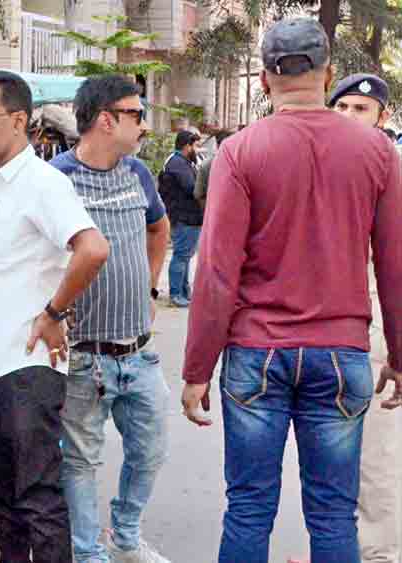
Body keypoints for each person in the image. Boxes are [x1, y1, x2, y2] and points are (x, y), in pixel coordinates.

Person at [180, 18, 402, 563]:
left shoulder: (240, 151)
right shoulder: (376, 152)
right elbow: (395, 263)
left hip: (258, 353)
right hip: (341, 352)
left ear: (262, 80)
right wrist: (398, 355)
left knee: (249, 508)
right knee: (333, 514)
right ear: (327, 74)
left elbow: (216, 272)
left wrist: (196, 369)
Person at [0, 69, 109, 563]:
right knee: (1, 495)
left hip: (26, 368)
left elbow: (92, 249)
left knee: (37, 497)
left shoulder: (43, 183)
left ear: (18, 120)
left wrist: (53, 312)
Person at [50, 74, 172, 563]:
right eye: (137, 115)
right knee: (79, 462)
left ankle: (124, 535)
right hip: (83, 358)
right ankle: (87, 554)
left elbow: (158, 228)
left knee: (151, 451)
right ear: (106, 120)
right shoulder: (57, 178)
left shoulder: (138, 173)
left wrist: (148, 286)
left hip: (138, 354)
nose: (144, 125)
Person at [329, 72, 402, 563]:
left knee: (376, 459)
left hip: (377, 324)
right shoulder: (326, 166)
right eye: (345, 108)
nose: (351, 117)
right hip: (327, 328)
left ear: (384, 119)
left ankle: (378, 554)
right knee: (335, 460)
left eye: (362, 109)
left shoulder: (391, 171)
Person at [158, 130, 202, 307]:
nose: (197, 150)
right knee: (181, 256)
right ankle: (176, 294)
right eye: (195, 146)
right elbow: (193, 187)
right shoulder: (177, 163)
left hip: (188, 217)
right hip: (183, 217)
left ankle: (184, 291)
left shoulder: (183, 162)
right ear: (187, 146)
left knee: (186, 255)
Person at [193, 130, 235, 208]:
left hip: (212, 213)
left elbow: (198, 194)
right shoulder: (239, 163)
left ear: (217, 145)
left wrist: (209, 209)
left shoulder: (206, 165)